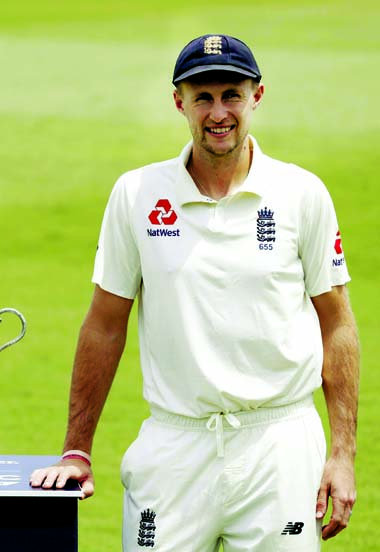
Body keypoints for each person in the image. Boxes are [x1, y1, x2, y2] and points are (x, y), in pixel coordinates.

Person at [30, 34, 359, 551]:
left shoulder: (302, 194)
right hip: (175, 443)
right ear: (178, 101)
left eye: (232, 94)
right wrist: (78, 450)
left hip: (279, 445)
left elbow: (336, 322)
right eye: (202, 97)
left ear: (257, 95)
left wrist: (342, 454)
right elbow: (104, 323)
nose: (218, 112)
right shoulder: (137, 194)